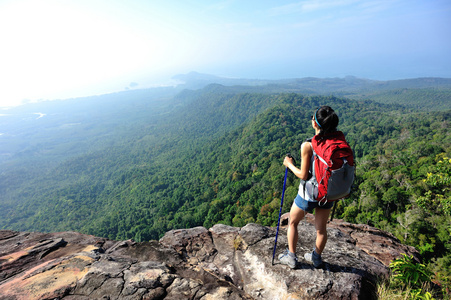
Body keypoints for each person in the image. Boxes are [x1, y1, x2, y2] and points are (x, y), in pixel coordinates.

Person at [278, 106, 340, 269]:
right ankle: (316, 258)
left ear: (316, 123)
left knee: (292, 222)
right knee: (321, 230)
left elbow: (303, 175)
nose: (311, 119)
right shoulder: (338, 143)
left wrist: (289, 164)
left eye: (312, 117)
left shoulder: (308, 145)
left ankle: (291, 257)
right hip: (328, 193)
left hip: (308, 194)